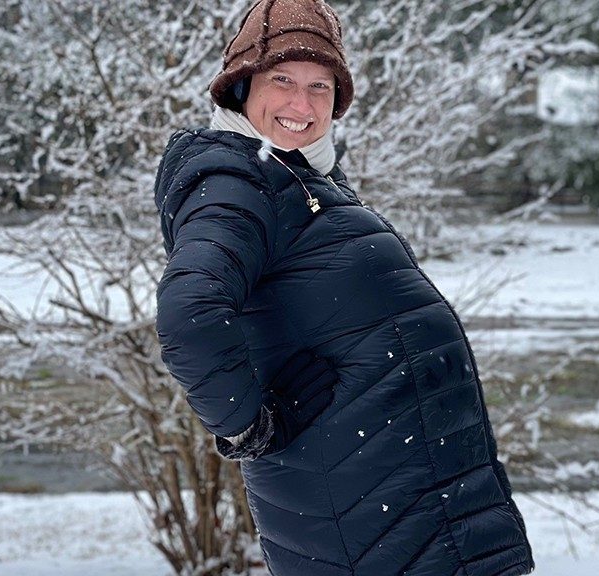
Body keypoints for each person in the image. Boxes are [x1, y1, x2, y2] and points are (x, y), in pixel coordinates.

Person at [152, 1, 535, 574]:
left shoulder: (303, 176)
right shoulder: (237, 180)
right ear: (239, 87)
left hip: (412, 511)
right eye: (282, 80)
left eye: (320, 87)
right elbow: (189, 313)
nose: (301, 105)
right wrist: (251, 424)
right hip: (369, 524)